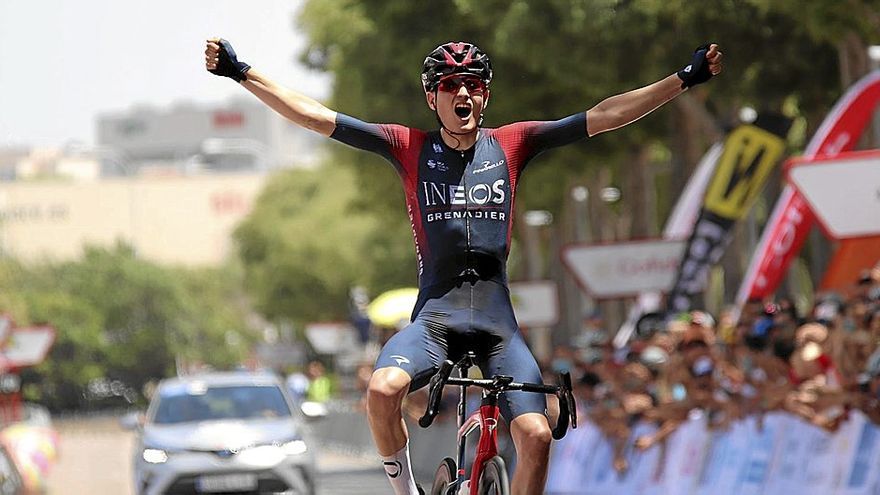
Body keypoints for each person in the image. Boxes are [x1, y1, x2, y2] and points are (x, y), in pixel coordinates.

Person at [205, 38, 722, 495]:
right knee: (383, 391)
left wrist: (683, 79)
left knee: (538, 437)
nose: (464, 95)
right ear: (433, 98)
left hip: (498, 326)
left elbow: (605, 115)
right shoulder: (407, 146)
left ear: (485, 95)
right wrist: (241, 72)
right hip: (435, 321)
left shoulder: (513, 143)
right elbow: (316, 116)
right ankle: (406, 490)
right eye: (451, 86)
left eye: (474, 85)